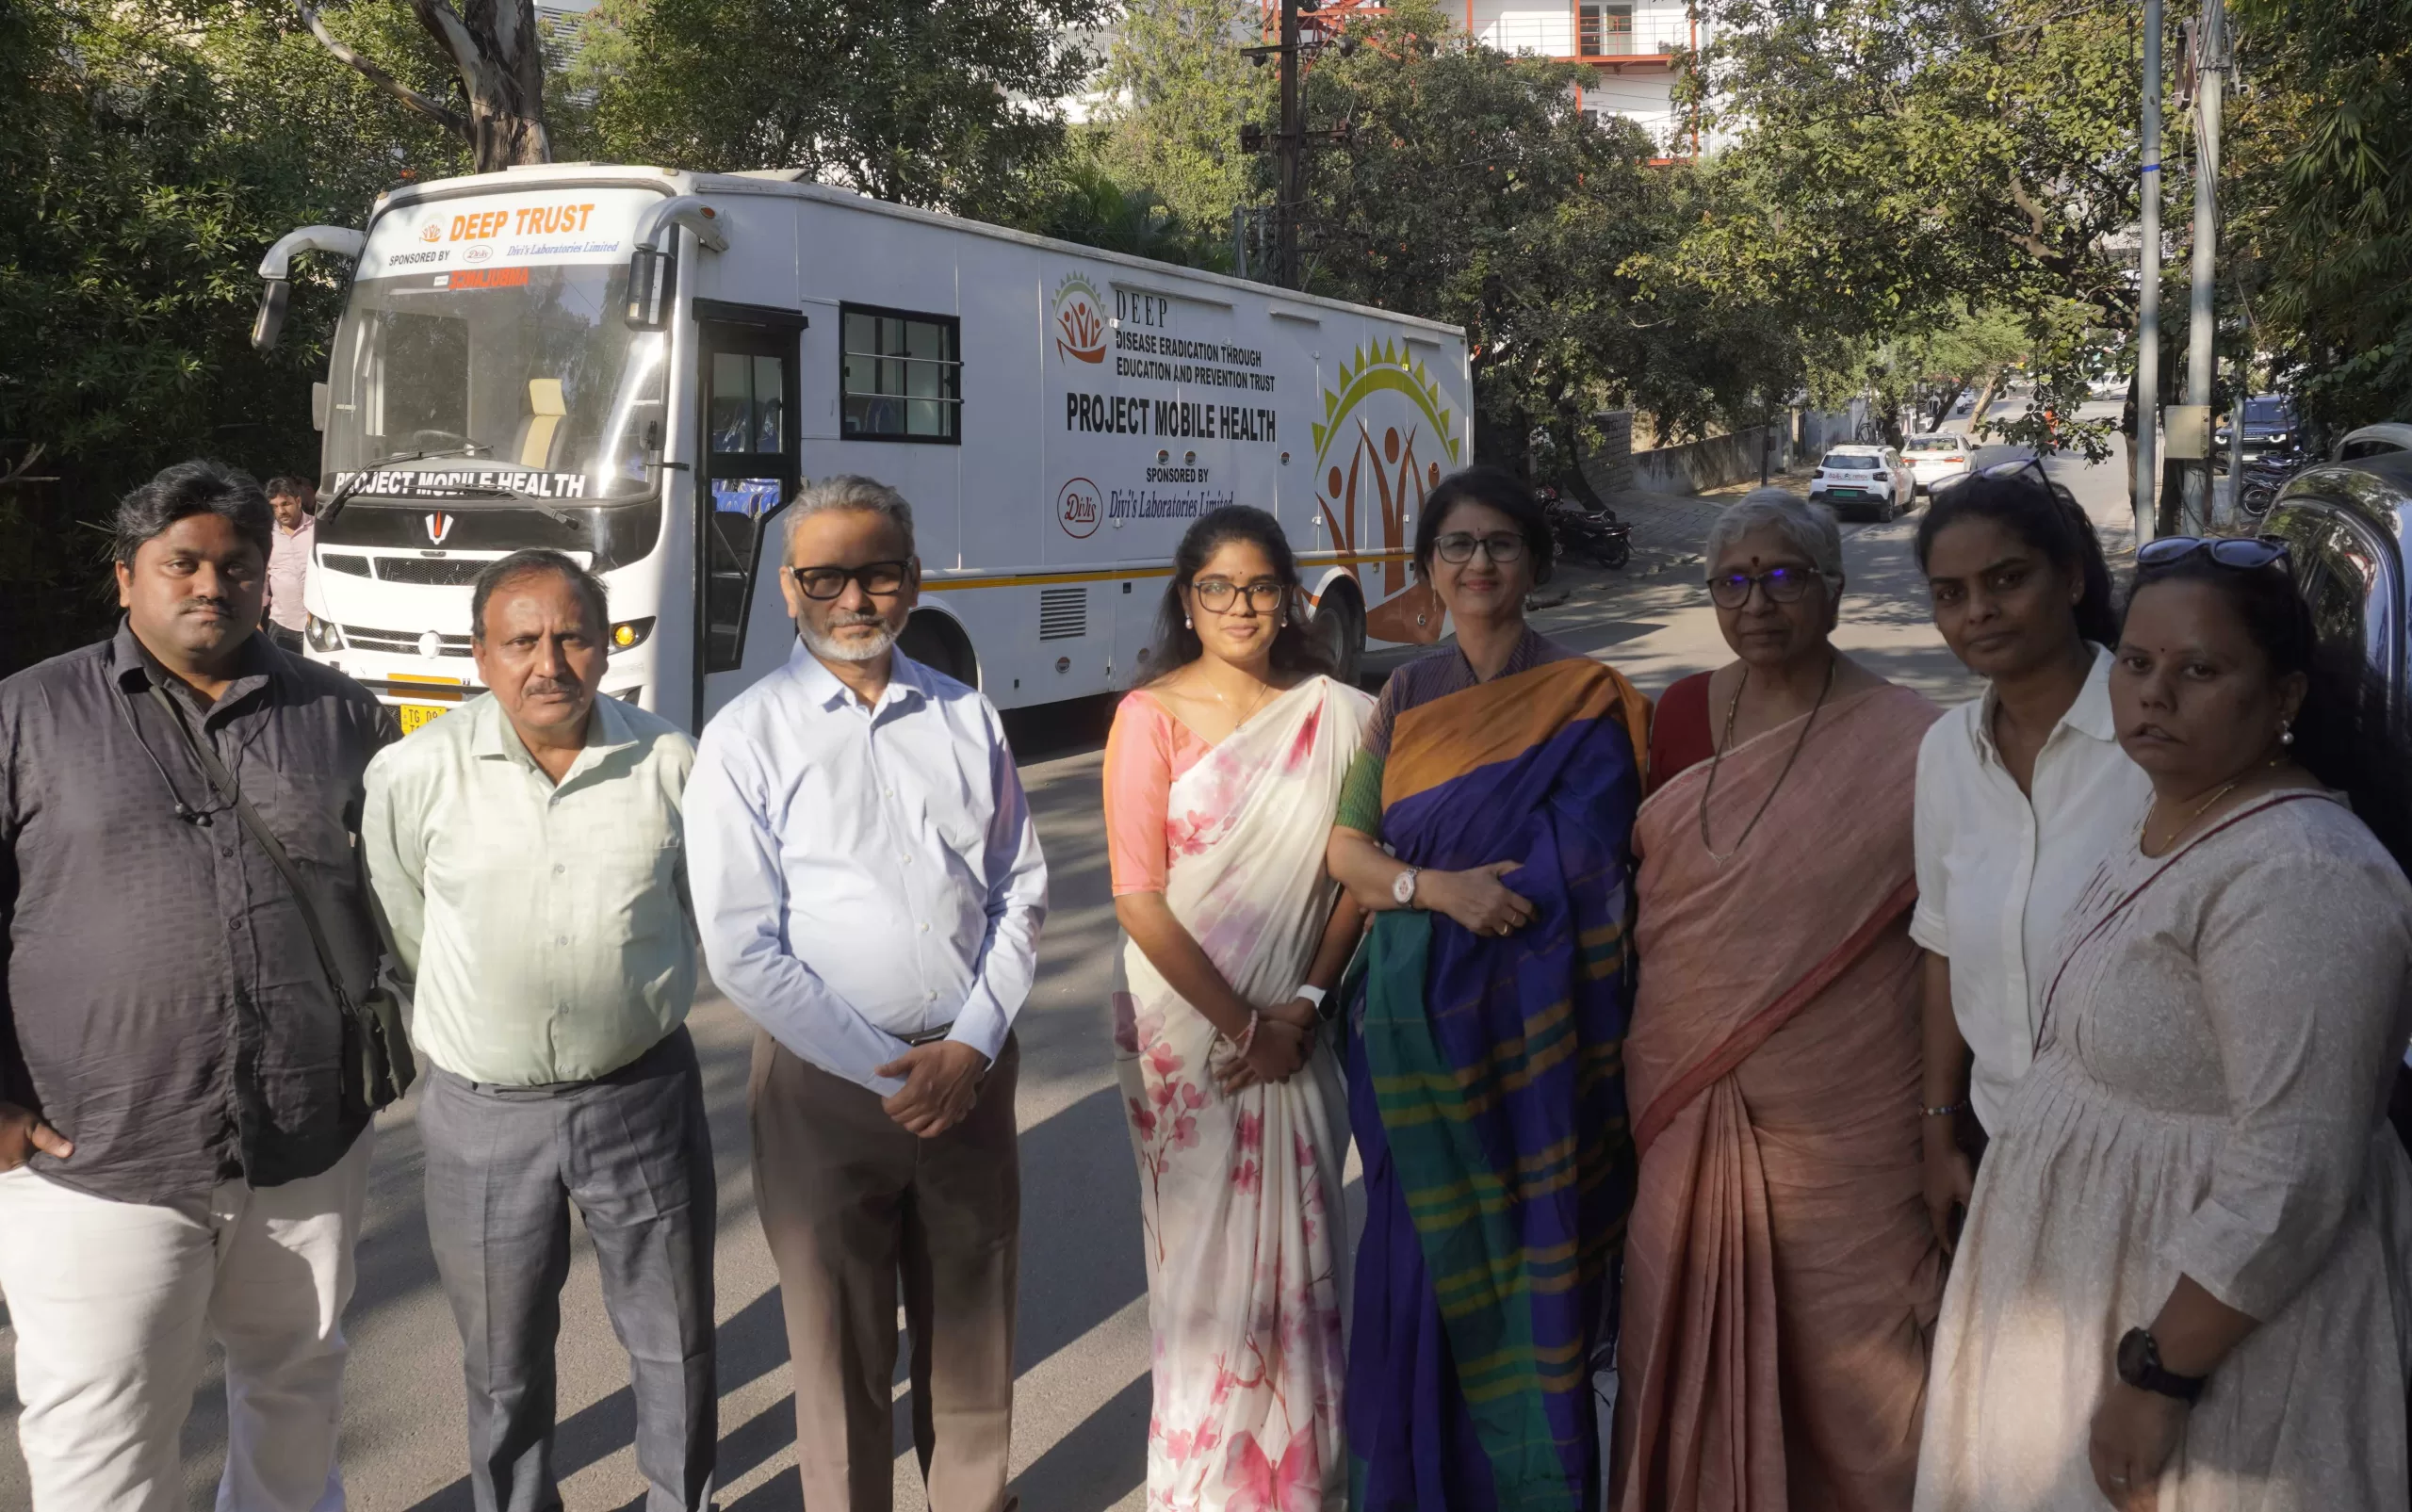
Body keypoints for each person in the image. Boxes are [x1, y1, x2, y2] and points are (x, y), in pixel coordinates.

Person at [1915, 539, 2412, 1512]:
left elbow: (2294, 1173)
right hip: (2098, 1291)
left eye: (2200, 670)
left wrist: (2160, 1377)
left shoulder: (2302, 874)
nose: (2153, 694)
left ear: (2284, 696)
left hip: (2206, 1344)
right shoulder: (2176, 812)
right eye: (2138, 663)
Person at [0, 460, 397, 1511]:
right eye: (182, 563)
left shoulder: (342, 716)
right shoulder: (27, 716)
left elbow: (403, 895)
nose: (211, 585)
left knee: (297, 1394)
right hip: (98, 1156)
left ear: (268, 576)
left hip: (307, 1142)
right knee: (102, 1439)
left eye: (237, 565)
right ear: (126, 574)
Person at [686, 476, 1048, 1512]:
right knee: (838, 1352)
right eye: (825, 577)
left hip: (968, 1075)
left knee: (972, 1333)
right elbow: (743, 947)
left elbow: (1020, 889)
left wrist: (970, 1047)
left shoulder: (966, 715)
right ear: (789, 589)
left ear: (913, 580)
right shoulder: (746, 736)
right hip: (826, 1088)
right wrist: (890, 1074)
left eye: (878, 573)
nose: (854, 598)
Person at [362, 549, 716, 1512]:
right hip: (484, 1115)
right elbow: (405, 926)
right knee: (502, 1357)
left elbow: (702, 909)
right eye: (522, 641)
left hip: (640, 1092)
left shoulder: (671, 762)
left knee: (672, 1336)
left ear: (606, 646)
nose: (548, 663)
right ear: (481, 654)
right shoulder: (415, 773)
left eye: (573, 637)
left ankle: (680, 1499)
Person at [1326, 465, 1651, 1511]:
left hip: (1542, 1041)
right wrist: (1440, 890)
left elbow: (1600, 870)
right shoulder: (1405, 696)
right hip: (1414, 1040)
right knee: (1419, 1267)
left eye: (1501, 543)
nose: (1478, 563)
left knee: (1533, 1260)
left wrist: (1479, 897)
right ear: (1429, 568)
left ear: (1535, 564)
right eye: (1456, 545)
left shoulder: (1586, 699)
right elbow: (1347, 852)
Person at [1615, 489, 1941, 1512]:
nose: (1755, 604)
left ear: (1833, 592)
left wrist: (1944, 1120)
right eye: (1732, 583)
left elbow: (1942, 942)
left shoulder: (1913, 740)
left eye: (1783, 577)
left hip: (1852, 1116)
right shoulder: (1676, 714)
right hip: (1684, 1091)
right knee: (1677, 1316)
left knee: (1863, 1365)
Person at [1105, 506, 1372, 1510]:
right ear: (1187, 600)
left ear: (1291, 598)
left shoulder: (1339, 715)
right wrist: (1244, 1027)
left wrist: (1300, 1007)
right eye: (1217, 588)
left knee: (1306, 1259)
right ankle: (1204, 1486)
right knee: (1199, 1273)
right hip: (1190, 1039)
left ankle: (1302, 1481)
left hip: (1300, 1030)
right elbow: (1138, 899)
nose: (1241, 607)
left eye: (1261, 587)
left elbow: (1357, 876)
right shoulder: (1149, 717)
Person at [1909, 464, 2149, 1250]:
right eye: (1951, 594)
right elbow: (1943, 948)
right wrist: (1939, 1131)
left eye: (2007, 579)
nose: (1978, 610)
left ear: (2072, 578)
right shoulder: (1947, 751)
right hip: (1999, 1140)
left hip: (2146, 1159)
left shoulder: (2155, 738)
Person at [264, 475, 318, 654]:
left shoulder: (318, 530)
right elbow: (262, 580)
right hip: (282, 624)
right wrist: (256, 621)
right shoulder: (267, 536)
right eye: (275, 506)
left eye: (285, 504)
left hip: (318, 624)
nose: (281, 511)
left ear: (298, 501)